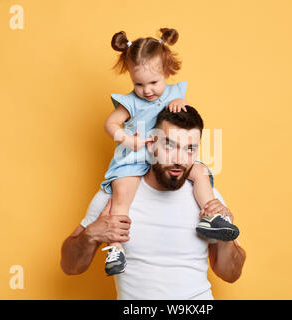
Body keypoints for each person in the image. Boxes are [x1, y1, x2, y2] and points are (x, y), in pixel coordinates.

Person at [61, 106, 246, 300]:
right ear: (151, 145)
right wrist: (90, 234)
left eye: (189, 149)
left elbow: (231, 274)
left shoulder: (207, 197)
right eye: (169, 146)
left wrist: (226, 239)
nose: (179, 159)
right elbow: (70, 266)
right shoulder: (117, 196)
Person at [100, 28, 239, 276]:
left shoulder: (176, 94)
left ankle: (212, 214)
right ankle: (116, 248)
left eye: (154, 82)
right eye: (138, 84)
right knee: (121, 199)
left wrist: (181, 104)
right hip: (135, 157)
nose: (147, 90)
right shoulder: (131, 102)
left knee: (201, 171)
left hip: (165, 156)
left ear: (167, 72)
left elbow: (186, 119)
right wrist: (125, 139)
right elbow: (110, 124)